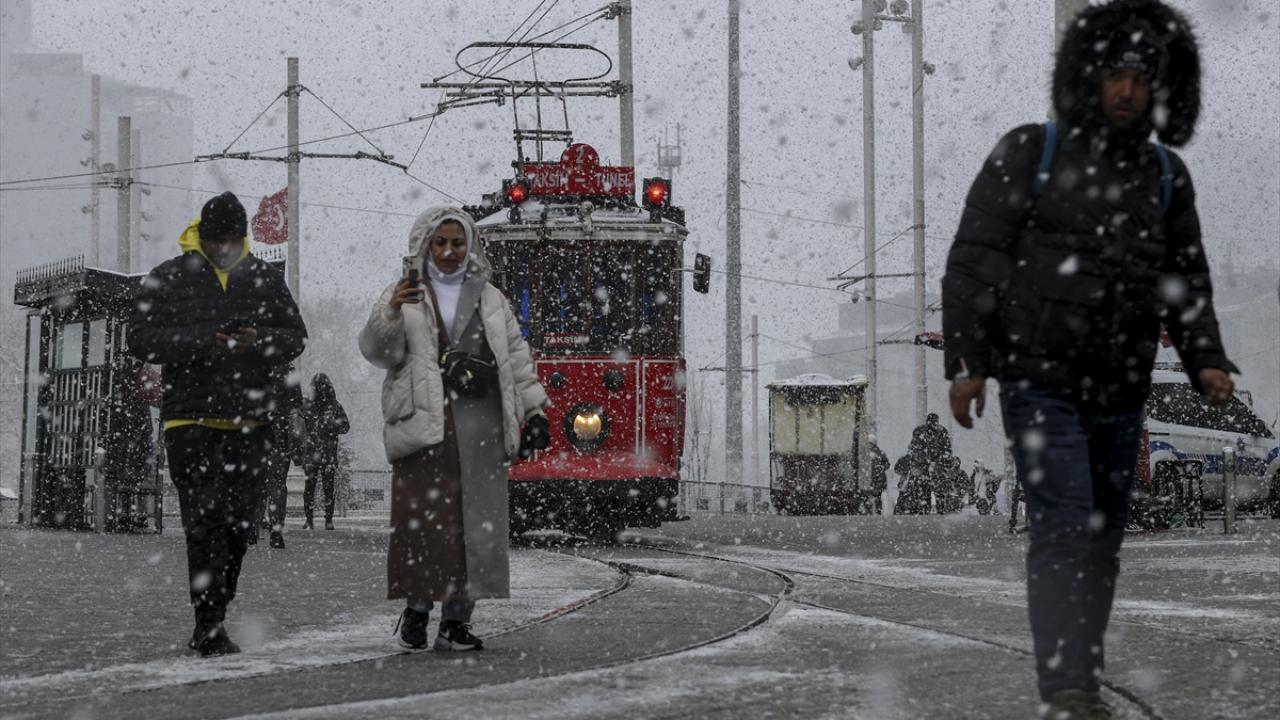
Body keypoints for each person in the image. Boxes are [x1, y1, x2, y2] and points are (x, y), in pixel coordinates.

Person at [941, 2, 1237, 716]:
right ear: (1088, 77)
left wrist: (1205, 357)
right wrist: (969, 363)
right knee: (1065, 526)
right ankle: (1066, 685)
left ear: (1160, 87)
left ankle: (1081, 671)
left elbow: (1185, 279)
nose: (1127, 90)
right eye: (1115, 75)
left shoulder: (1165, 176)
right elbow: (975, 262)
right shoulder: (1030, 153)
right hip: (1039, 385)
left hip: (1121, 391)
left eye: (1141, 77)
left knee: (1101, 542)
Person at [359, 206, 549, 652]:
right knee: (425, 525)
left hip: (481, 424)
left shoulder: (491, 298)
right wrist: (390, 312)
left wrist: (535, 410)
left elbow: (516, 358)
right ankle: (417, 610)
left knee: (474, 527)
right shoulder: (404, 294)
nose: (448, 252)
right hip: (425, 425)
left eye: (457, 243)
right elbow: (379, 353)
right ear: (425, 245)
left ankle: (457, 621)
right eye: (440, 242)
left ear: (470, 246)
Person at [128, 191, 307, 656]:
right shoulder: (169, 276)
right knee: (203, 523)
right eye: (215, 240)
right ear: (202, 236)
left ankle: (217, 602)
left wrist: (257, 339)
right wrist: (204, 340)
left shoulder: (264, 278)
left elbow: (295, 337)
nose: (223, 248)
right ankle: (208, 624)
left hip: (250, 421)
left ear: (242, 238)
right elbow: (140, 339)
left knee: (239, 526)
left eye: (231, 240)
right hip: (190, 420)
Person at [259, 365, 304, 548]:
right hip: (281, 436)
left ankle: (252, 529)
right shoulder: (288, 370)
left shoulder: (254, 363)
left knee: (256, 482)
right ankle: (276, 530)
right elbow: (297, 405)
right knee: (278, 483)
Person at [301, 373, 350, 530]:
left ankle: (326, 520)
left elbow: (345, 426)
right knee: (312, 487)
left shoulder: (334, 406)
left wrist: (334, 423)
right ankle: (311, 519)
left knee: (323, 488)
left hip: (325, 453)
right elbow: (300, 427)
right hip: (315, 452)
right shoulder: (308, 406)